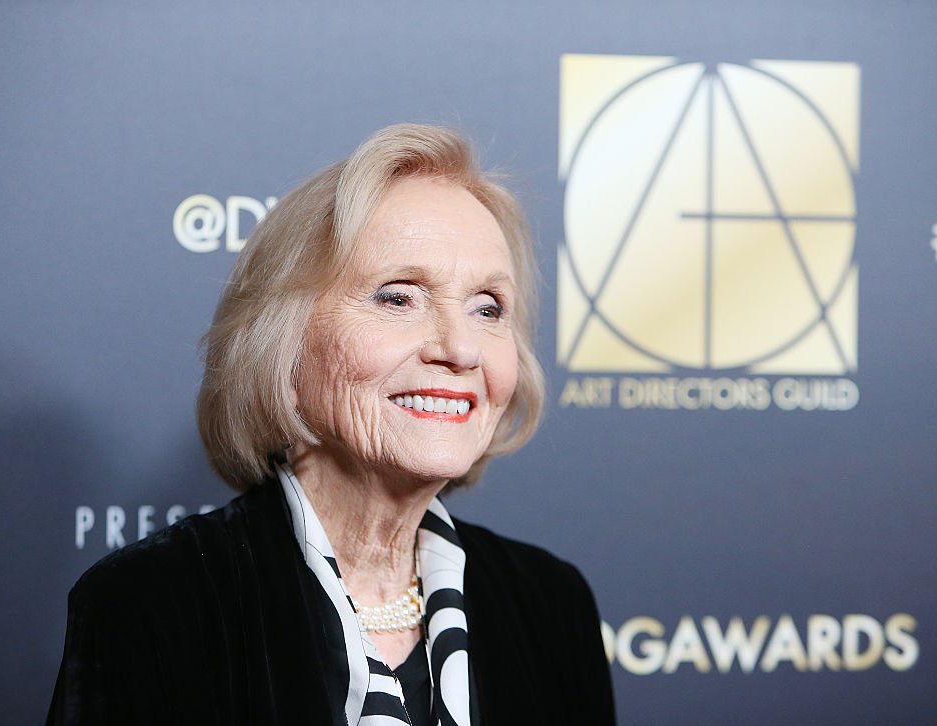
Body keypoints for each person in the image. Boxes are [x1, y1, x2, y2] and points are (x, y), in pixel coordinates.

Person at [47, 123, 616, 725]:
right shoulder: (152, 604)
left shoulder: (550, 605)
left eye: (487, 307)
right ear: (284, 343)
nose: (462, 349)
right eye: (398, 298)